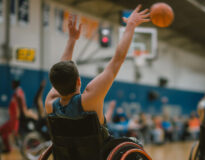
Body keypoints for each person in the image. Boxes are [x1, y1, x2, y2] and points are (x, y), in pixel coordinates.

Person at [44, 4, 149, 155]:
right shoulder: (89, 99)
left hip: (67, 157)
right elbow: (117, 61)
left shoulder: (49, 104)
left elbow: (61, 73)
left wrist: (72, 40)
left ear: (54, 86)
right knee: (135, 144)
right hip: (99, 154)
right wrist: (130, 26)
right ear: (79, 81)